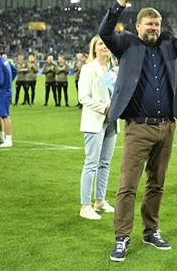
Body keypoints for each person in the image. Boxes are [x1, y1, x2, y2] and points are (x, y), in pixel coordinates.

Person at [99, 0, 177, 262]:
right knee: (128, 186)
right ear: (138, 27)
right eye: (148, 24)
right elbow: (105, 33)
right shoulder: (125, 44)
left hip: (167, 127)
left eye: (157, 24)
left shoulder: (169, 45)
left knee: (157, 184)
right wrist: (120, 3)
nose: (153, 28)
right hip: (138, 128)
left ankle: (151, 231)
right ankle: (122, 238)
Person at [78, 35, 119, 220]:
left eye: (106, 43)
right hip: (95, 120)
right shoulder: (88, 69)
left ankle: (100, 201)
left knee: (105, 163)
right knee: (91, 163)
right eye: (100, 44)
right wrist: (104, 108)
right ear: (94, 49)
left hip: (111, 122)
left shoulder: (113, 69)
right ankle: (85, 206)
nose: (104, 46)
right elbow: (83, 97)